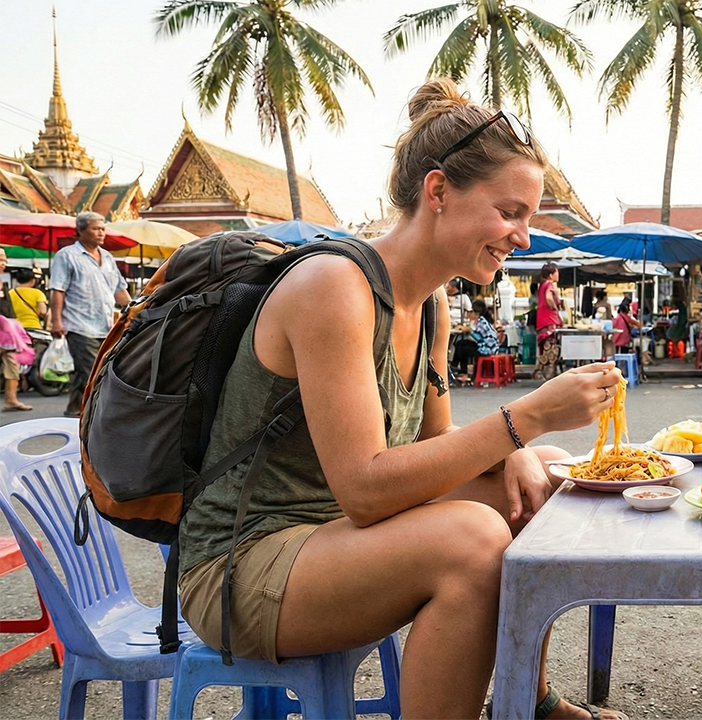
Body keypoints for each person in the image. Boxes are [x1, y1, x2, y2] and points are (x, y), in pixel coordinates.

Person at [176, 78, 627, 720]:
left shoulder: (432, 302)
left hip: (333, 534)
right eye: (510, 212)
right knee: (472, 540)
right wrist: (523, 420)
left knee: (548, 478)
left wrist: (516, 451)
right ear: (437, 192)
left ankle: (529, 701)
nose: (523, 237)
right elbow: (365, 490)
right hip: (244, 563)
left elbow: (433, 445)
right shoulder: (334, 286)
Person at [48, 211, 130, 418]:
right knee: (90, 372)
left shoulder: (108, 257)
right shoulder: (67, 256)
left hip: (105, 325)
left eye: (103, 229)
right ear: (81, 230)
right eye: (96, 229)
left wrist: (134, 310)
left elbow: (119, 289)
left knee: (92, 370)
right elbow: (58, 289)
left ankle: (75, 409)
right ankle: (92, 416)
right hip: (79, 324)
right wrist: (56, 321)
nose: (101, 233)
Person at [0, 249, 31, 412]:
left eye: (4, 260)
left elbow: (9, 311)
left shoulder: (4, 285)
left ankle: (11, 399)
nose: (3, 263)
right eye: (0, 260)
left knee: (13, 362)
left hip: (6, 334)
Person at [532, 262, 564, 380]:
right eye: (556, 273)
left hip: (542, 320)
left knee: (546, 346)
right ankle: (548, 373)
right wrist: (555, 308)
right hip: (549, 319)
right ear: (550, 275)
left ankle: (541, 370)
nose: (558, 275)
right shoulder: (549, 285)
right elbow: (548, 298)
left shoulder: (542, 285)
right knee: (551, 349)